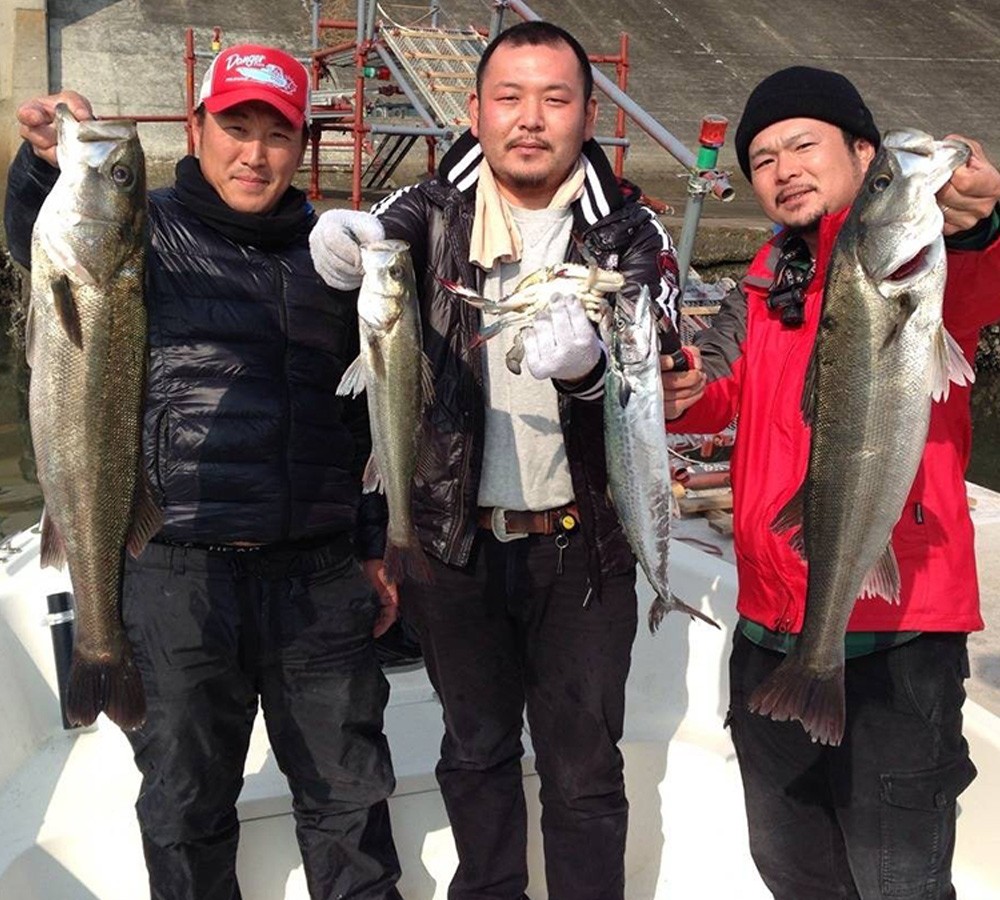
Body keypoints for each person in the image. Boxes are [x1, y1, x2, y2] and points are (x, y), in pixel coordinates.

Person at [5, 43, 403, 900]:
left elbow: (363, 416)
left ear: (302, 147)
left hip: (318, 575)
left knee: (351, 802)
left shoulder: (329, 258)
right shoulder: (140, 234)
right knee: (185, 811)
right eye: (235, 128)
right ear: (196, 129)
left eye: (277, 134)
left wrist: (374, 544)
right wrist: (42, 168)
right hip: (176, 576)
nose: (254, 154)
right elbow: (51, 247)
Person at [310, 20, 680, 900]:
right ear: (474, 112)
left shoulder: (629, 230)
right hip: (453, 543)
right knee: (474, 753)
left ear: (587, 115)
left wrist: (590, 372)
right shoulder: (426, 209)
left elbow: (657, 336)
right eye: (509, 97)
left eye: (555, 99)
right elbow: (368, 272)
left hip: (586, 547)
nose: (530, 118)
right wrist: (339, 251)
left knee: (585, 770)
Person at [662, 65, 1000, 899]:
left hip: (899, 638)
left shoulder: (924, 268)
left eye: (804, 145)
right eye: (763, 159)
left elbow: (979, 272)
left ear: (862, 153)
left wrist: (978, 224)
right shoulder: (764, 277)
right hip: (771, 630)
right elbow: (720, 391)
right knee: (792, 867)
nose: (784, 170)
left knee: (898, 880)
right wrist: (680, 392)